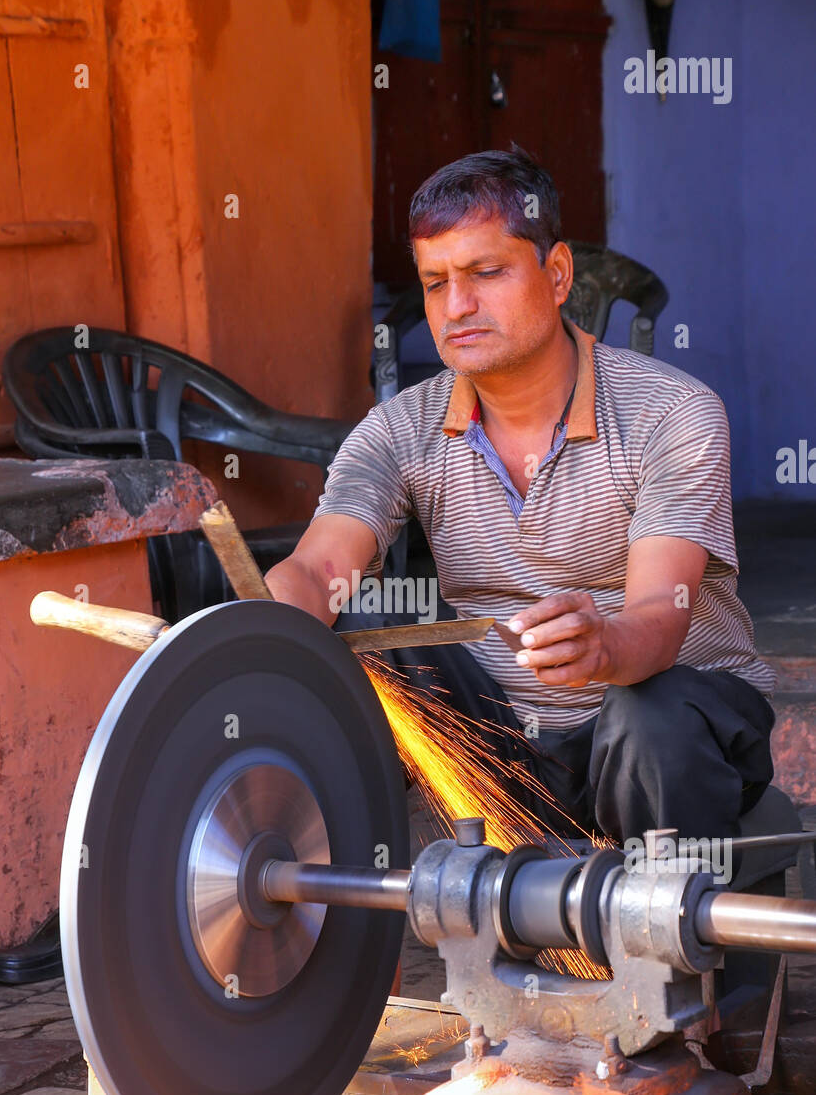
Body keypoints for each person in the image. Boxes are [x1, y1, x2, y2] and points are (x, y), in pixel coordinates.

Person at [266, 143, 775, 857]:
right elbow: (321, 572)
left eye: (486, 272)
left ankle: (670, 956)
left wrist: (602, 645)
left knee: (650, 712)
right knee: (363, 633)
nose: (458, 306)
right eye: (436, 282)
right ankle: (351, 922)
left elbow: (663, 614)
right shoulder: (400, 427)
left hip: (673, 737)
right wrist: (254, 632)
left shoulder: (674, 413)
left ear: (558, 273)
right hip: (507, 748)